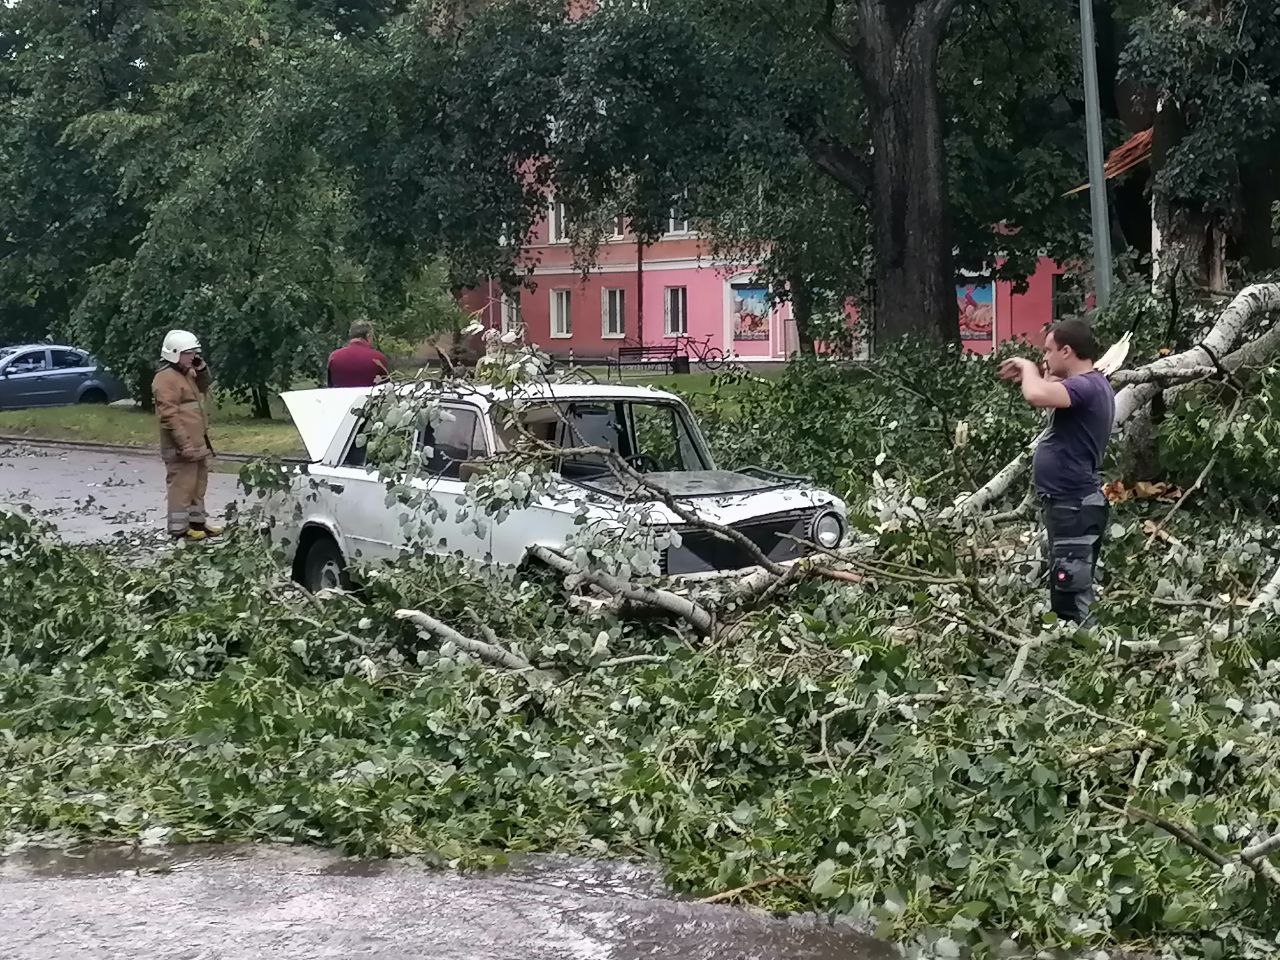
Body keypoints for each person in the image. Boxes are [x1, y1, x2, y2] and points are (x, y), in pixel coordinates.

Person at [999, 319, 1115, 625]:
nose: (1044, 358)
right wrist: (1044, 375)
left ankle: (1086, 660)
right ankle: (1079, 657)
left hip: (1073, 504)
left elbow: (1036, 395)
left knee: (1071, 594)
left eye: (1049, 351)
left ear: (1067, 350)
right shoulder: (1091, 384)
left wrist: (1028, 368)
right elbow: (1047, 393)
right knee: (1068, 587)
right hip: (1072, 504)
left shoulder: (1086, 385)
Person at [153, 329, 219, 542]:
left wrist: (202, 369)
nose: (193, 356)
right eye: (188, 353)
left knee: (198, 485)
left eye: (194, 352)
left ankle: (197, 523)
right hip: (182, 446)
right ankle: (180, 529)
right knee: (182, 486)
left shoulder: (188, 373)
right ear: (174, 353)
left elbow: (204, 385)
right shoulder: (165, 379)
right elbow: (169, 416)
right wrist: (184, 444)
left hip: (197, 442)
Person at [327, 321, 389, 388]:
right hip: (368, 397)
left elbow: (330, 386)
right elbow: (386, 387)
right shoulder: (378, 358)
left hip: (341, 398)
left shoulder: (334, 357)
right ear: (368, 336)